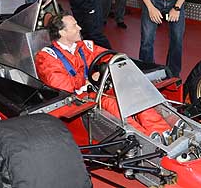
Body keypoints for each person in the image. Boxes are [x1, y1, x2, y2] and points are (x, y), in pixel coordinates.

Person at [34, 13, 172, 137]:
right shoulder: (46, 57)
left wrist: (115, 64)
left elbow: (107, 56)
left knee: (133, 94)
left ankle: (163, 131)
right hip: (74, 101)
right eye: (75, 25)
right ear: (62, 32)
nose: (80, 28)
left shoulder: (84, 46)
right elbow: (60, 84)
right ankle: (145, 138)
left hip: (95, 90)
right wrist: (85, 80)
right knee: (113, 105)